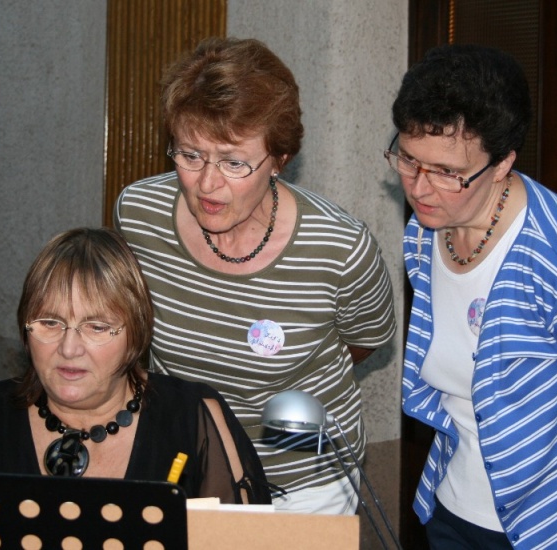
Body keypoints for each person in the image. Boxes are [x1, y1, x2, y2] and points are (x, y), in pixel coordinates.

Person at [114, 36, 396, 514]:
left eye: (234, 162)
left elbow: (364, 341)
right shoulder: (140, 215)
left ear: (280, 159)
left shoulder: (339, 248)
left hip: (304, 477)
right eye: (190, 155)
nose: (207, 183)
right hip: (186, 461)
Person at [389, 44, 557, 549]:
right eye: (409, 160)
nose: (420, 188)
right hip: (452, 508)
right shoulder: (425, 234)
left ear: (502, 162)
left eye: (448, 172)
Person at [0, 227, 271, 505]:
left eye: (97, 327)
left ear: (135, 334)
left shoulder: (193, 418)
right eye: (49, 323)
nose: (69, 348)